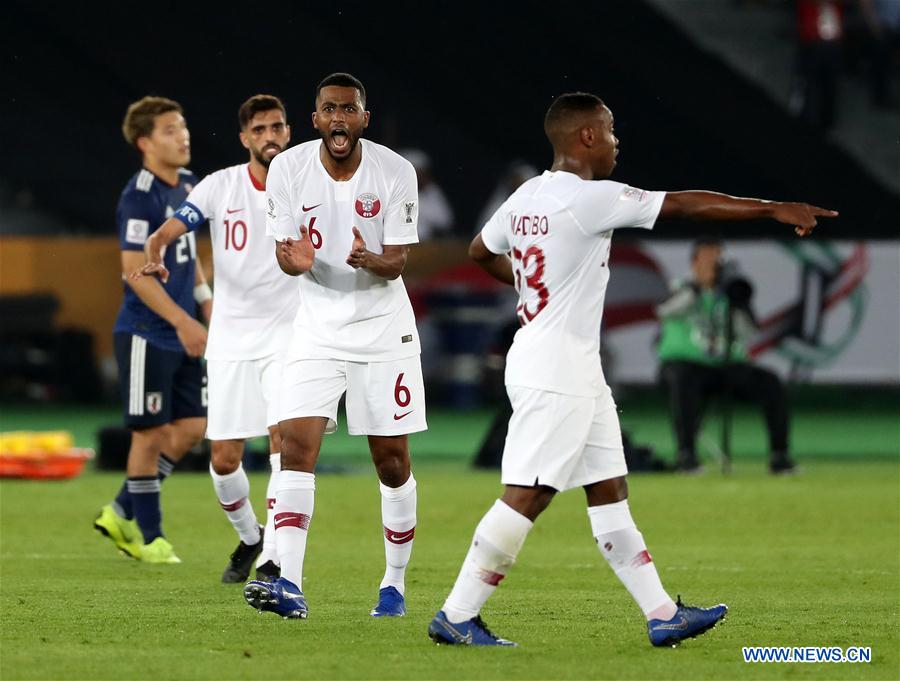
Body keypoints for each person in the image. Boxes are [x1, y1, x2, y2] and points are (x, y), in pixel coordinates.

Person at [428, 92, 837, 647]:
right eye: (611, 129)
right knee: (529, 492)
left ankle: (662, 613)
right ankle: (456, 613)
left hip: (563, 360)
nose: (618, 140)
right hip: (557, 366)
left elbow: (480, 249)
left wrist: (531, 288)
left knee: (609, 488)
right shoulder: (589, 199)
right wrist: (771, 208)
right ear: (587, 137)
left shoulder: (528, 196)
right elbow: (685, 205)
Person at [242, 73, 426, 620]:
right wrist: (290, 261)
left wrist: (368, 259)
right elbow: (285, 252)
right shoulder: (288, 170)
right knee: (296, 447)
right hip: (316, 329)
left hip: (382, 329)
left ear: (363, 119)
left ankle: (393, 582)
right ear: (317, 118)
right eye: (329, 109)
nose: (339, 118)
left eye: (349, 109)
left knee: (391, 462)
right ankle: (290, 584)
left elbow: (397, 262)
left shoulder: (395, 172)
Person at [134, 95, 298, 583]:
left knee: (281, 444)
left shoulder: (306, 185)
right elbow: (171, 227)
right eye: (260, 129)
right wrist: (156, 247)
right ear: (245, 138)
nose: (270, 135)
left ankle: (275, 563)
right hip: (230, 337)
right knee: (224, 460)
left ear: (288, 132)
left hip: (289, 335)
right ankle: (253, 537)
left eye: (277, 126)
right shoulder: (219, 186)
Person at [93, 96, 210, 564]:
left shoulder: (189, 184)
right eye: (169, 130)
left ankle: (121, 508)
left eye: (182, 126)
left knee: (192, 429)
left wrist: (204, 302)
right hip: (147, 333)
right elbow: (132, 271)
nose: (182, 136)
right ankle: (152, 538)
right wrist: (183, 321)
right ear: (144, 142)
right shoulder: (139, 196)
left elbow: (190, 259)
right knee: (150, 433)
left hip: (183, 330)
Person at [656, 238, 796, 474]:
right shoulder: (680, 287)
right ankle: (686, 455)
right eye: (707, 257)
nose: (712, 263)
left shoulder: (729, 293)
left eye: (716, 257)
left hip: (725, 365)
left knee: (770, 382)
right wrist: (698, 288)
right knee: (682, 379)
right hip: (686, 364)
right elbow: (664, 311)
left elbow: (751, 332)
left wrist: (739, 302)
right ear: (694, 261)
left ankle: (779, 456)